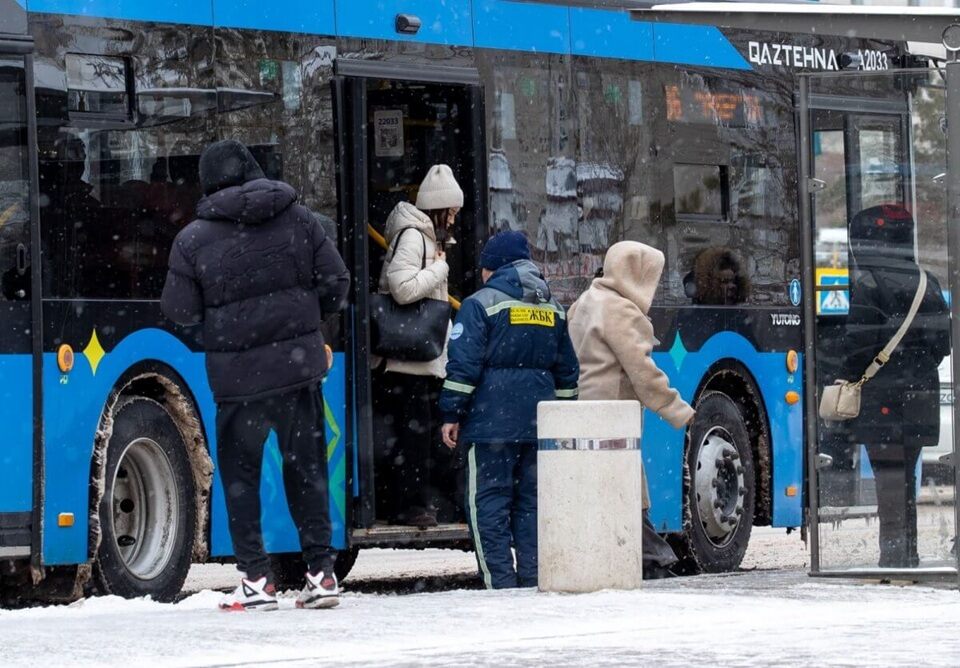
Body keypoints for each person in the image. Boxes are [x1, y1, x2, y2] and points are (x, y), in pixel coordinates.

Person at [161, 140, 350, 611]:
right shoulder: (301, 219)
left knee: (240, 478)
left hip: (238, 382)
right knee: (307, 471)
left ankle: (256, 579)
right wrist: (306, 324)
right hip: (298, 373)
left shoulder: (192, 239)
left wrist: (222, 318)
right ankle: (321, 573)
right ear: (254, 169)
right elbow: (337, 282)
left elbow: (179, 311)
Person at [439, 231, 579, 589]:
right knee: (531, 504)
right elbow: (567, 373)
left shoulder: (479, 304)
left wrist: (451, 413)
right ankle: (532, 578)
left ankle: (499, 583)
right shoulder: (554, 309)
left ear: (495, 268)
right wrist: (559, 420)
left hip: (490, 427)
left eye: (485, 268)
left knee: (488, 503)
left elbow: (463, 367)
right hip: (538, 426)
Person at [567, 241, 695, 579]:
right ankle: (654, 562)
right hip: (614, 413)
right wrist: (677, 409)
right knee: (625, 490)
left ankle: (637, 560)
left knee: (604, 489)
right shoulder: (621, 309)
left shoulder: (585, 301)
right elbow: (642, 370)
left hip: (585, 410)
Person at [836, 204, 949, 568]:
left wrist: (855, 373)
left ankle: (894, 552)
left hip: (882, 394)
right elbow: (941, 346)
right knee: (906, 477)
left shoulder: (869, 283)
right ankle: (909, 550)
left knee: (887, 477)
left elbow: (857, 347)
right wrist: (914, 368)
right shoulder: (926, 280)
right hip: (920, 393)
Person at [372, 164, 462, 528]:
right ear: (440, 209)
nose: (455, 218)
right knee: (415, 437)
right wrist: (440, 270)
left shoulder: (425, 237)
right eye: (453, 211)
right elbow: (402, 288)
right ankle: (412, 505)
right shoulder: (415, 237)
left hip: (416, 359)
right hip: (407, 361)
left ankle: (414, 502)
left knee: (416, 436)